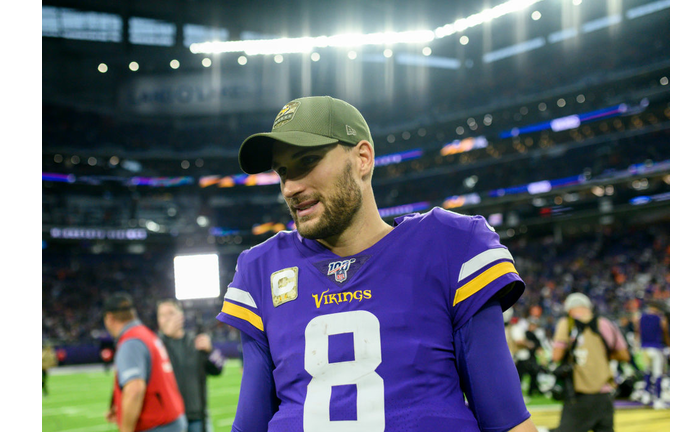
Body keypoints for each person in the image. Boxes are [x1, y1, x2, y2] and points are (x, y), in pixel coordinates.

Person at [216, 95, 538, 432]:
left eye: (307, 161)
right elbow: (249, 425)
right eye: (282, 171)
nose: (291, 187)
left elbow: (508, 421)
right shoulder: (260, 269)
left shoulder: (450, 245)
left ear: (363, 158)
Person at [103, 292, 187, 432]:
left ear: (110, 318)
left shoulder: (131, 341)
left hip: (157, 424)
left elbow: (134, 389)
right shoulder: (146, 334)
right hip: (171, 418)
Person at [550, 293, 630, 432]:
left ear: (569, 309)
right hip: (605, 393)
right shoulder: (606, 323)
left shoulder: (567, 323)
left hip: (579, 394)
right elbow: (624, 355)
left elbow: (556, 356)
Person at [157, 299, 225, 432]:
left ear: (181, 316)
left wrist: (210, 351)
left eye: (170, 313)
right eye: (162, 315)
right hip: (168, 420)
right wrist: (165, 338)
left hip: (197, 417)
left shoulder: (196, 341)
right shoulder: (156, 345)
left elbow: (219, 368)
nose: (166, 319)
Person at [633, 301, 669, 409]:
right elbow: (665, 332)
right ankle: (658, 399)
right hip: (656, 348)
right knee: (658, 374)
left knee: (647, 373)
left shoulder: (640, 317)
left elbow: (637, 332)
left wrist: (637, 346)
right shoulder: (660, 318)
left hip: (644, 348)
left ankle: (646, 396)